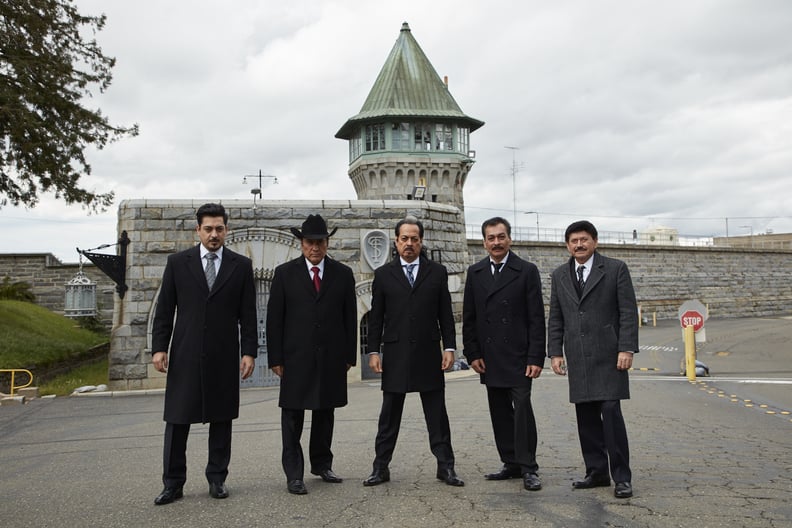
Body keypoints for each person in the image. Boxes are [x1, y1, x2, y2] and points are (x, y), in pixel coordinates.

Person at [151, 203, 257, 505]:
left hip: (224, 354)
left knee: (222, 419)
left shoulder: (240, 266)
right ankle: (173, 483)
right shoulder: (177, 263)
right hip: (185, 352)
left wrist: (249, 352)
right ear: (198, 230)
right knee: (177, 419)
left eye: (219, 228)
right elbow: (164, 310)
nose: (214, 234)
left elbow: (248, 315)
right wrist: (160, 347)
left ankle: (217, 479)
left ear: (226, 230)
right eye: (208, 229)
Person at [363, 216, 464, 487]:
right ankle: (380, 467)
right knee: (389, 416)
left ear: (421, 241)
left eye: (414, 239)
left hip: (429, 353)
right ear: (396, 241)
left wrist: (450, 347)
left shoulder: (437, 272)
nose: (409, 243)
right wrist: (373, 350)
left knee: (437, 415)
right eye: (404, 239)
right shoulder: (384, 275)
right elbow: (377, 318)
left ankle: (446, 467)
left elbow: (445, 313)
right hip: (395, 355)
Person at [266, 214, 357, 495]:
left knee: (324, 412)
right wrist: (275, 358)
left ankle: (321, 464)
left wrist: (349, 357)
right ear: (301, 243)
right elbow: (274, 320)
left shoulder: (343, 274)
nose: (314, 248)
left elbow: (349, 318)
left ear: (327, 243)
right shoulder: (284, 274)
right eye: (309, 242)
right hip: (295, 358)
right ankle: (294, 474)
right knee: (292, 417)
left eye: (320, 242)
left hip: (330, 357)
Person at [547, 220, 639, 499]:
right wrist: (555, 352)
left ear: (595, 242)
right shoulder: (560, 275)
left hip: (609, 356)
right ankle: (596, 472)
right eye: (573, 241)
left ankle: (621, 477)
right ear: (567, 245)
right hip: (578, 356)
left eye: (584, 240)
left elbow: (627, 312)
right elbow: (556, 317)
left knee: (611, 414)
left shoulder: (615, 269)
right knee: (586, 417)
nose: (579, 245)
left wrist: (626, 349)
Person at [462, 217, 546, 491]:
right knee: (499, 411)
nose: (496, 242)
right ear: (484, 241)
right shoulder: (475, 273)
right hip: (490, 356)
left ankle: (529, 467)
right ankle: (510, 462)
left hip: (520, 357)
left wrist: (536, 357)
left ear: (509, 238)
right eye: (491, 238)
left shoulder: (526, 270)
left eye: (501, 237)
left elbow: (536, 318)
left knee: (522, 410)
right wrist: (472, 353)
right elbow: (470, 317)